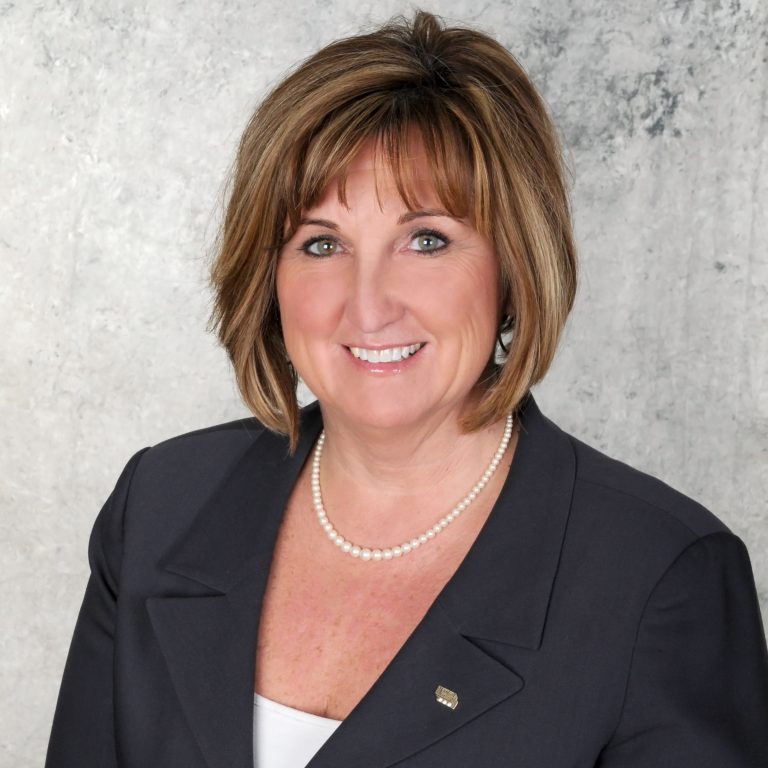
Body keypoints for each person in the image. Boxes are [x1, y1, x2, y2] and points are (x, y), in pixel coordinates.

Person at [45, 10, 768, 768]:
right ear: (268, 277)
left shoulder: (660, 578)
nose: (368, 306)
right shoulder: (163, 503)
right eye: (321, 243)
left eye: (427, 240)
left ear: (514, 267)